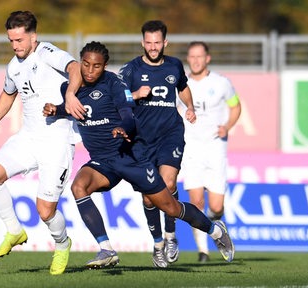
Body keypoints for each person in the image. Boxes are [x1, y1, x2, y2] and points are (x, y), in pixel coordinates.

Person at [44, 41, 234, 269]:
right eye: (85, 64)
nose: (90, 70)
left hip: (130, 157)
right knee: (79, 187)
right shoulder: (69, 89)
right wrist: (57, 109)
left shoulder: (114, 84)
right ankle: (106, 249)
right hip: (103, 162)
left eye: (96, 66)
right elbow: (78, 109)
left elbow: (127, 113)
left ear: (105, 66)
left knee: (171, 207)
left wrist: (124, 128)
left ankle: (215, 230)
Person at [0, 11, 83, 276]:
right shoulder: (13, 65)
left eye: (19, 40)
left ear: (33, 36)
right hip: (28, 137)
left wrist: (70, 94)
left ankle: (62, 244)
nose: (15, 46)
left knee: (45, 210)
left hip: (57, 141)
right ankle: (14, 231)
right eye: (11, 40)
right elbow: (7, 93)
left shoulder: (47, 52)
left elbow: (75, 68)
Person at [118, 20, 195, 267]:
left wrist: (190, 107)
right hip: (140, 140)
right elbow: (116, 97)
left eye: (157, 43)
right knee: (150, 198)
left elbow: (182, 88)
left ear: (165, 43)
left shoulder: (174, 65)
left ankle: (171, 234)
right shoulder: (131, 70)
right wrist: (136, 95)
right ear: (143, 43)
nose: (153, 47)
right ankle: (158, 243)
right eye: (148, 43)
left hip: (170, 133)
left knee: (169, 182)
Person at [182, 41, 241, 263]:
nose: (195, 60)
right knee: (196, 203)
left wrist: (227, 126)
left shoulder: (222, 83)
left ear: (208, 58)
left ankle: (216, 224)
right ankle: (203, 251)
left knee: (216, 207)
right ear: (188, 59)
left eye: (200, 56)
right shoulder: (181, 83)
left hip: (215, 148)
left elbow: (236, 106)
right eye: (192, 56)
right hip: (191, 149)